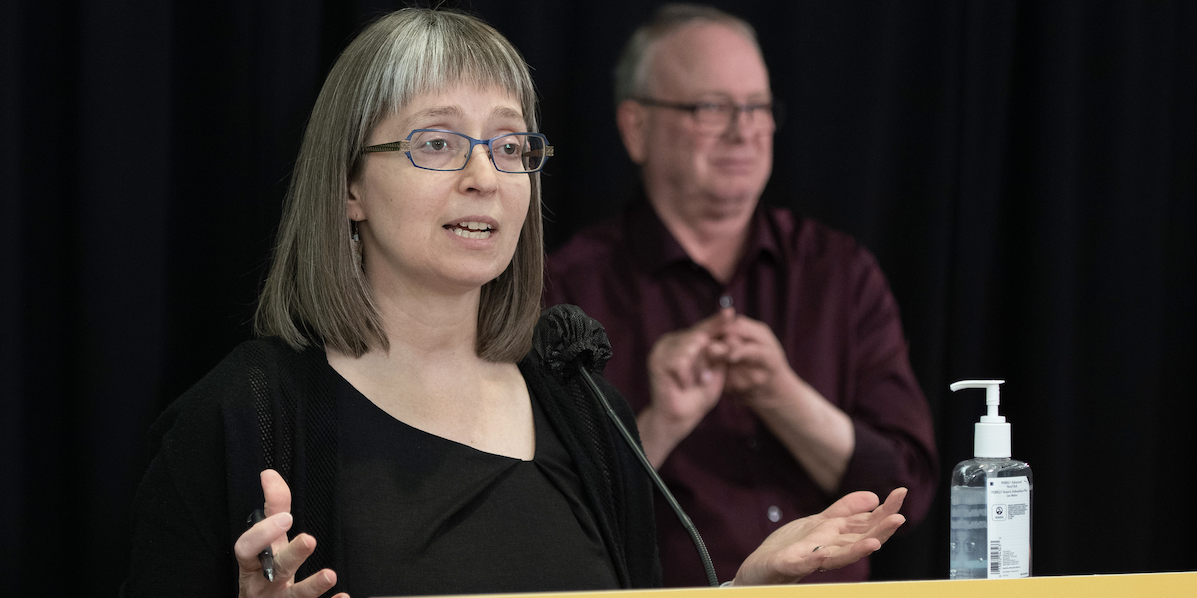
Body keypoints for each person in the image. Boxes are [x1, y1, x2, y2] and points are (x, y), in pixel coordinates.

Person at [124, 8, 908, 598]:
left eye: (509, 146)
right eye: (435, 143)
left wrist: (741, 592)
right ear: (349, 186)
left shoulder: (583, 407)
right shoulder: (243, 417)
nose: (484, 177)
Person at [544, 4, 938, 586]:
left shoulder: (840, 272)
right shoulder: (570, 289)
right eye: (711, 108)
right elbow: (551, 516)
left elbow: (909, 490)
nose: (744, 130)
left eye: (757, 108)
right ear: (636, 128)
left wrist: (786, 399)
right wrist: (660, 424)